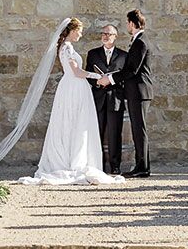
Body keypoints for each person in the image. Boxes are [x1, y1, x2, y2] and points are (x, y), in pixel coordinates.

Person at [20, 18, 125, 185]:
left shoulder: (66, 47)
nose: (81, 34)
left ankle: (73, 157)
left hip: (73, 87)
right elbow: (76, 72)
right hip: (73, 87)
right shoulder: (67, 48)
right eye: (79, 31)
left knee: (74, 123)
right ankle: (73, 160)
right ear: (72, 30)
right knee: (75, 122)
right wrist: (97, 76)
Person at [98, 10, 154, 178]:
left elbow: (132, 70)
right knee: (138, 129)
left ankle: (142, 167)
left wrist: (110, 78)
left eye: (127, 23)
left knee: (139, 129)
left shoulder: (141, 42)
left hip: (139, 91)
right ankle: (141, 165)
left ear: (131, 23)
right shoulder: (138, 41)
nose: (127, 26)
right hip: (135, 92)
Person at [85, 25, 126, 173]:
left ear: (115, 36)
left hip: (115, 99)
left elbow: (125, 77)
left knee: (115, 134)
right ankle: (98, 165)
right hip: (98, 98)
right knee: (97, 133)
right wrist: (97, 81)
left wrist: (111, 80)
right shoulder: (93, 54)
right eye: (103, 33)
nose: (105, 36)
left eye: (109, 34)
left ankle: (115, 166)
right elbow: (88, 74)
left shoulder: (123, 56)